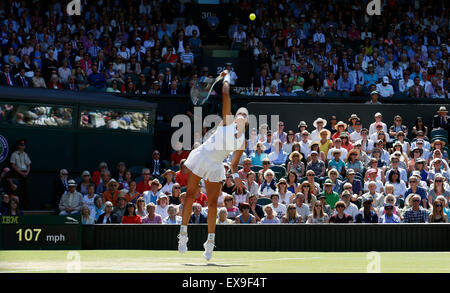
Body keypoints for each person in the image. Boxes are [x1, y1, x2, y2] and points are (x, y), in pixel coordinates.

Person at [10, 139, 31, 209]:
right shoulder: (14, 154)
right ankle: (18, 207)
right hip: (17, 173)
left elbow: (28, 165)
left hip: (25, 174)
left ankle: (26, 207)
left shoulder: (26, 154)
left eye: (24, 145)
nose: (23, 146)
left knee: (26, 190)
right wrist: (21, 172)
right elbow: (13, 165)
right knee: (18, 190)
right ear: (18, 146)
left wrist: (27, 172)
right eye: (21, 145)